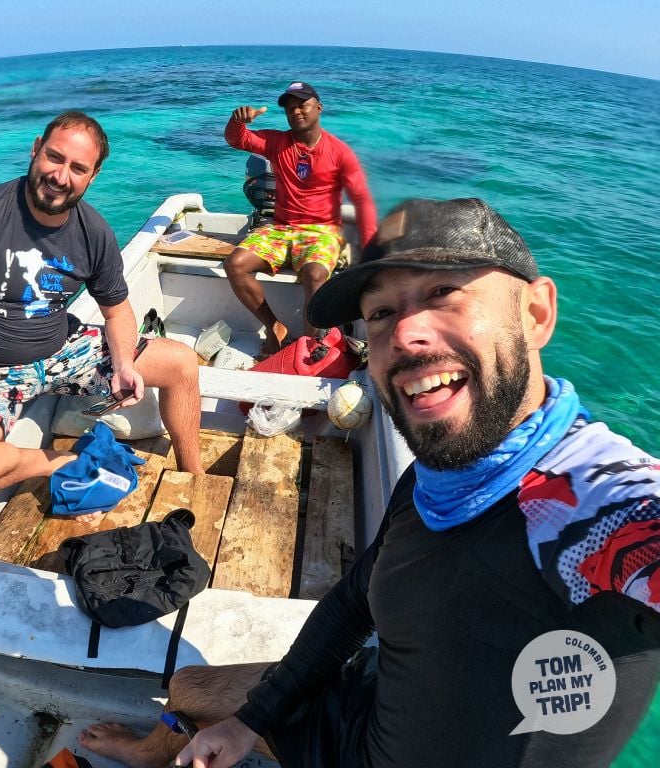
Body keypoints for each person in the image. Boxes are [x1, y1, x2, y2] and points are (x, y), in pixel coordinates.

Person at [78, 198, 660, 768]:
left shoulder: (589, 504)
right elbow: (357, 596)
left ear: (535, 315)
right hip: (364, 719)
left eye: (443, 295)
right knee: (190, 691)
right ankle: (155, 754)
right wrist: (250, 721)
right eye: (381, 313)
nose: (407, 335)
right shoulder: (436, 478)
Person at [0, 111, 204, 513]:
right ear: (35, 150)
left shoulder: (94, 232)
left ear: (92, 176)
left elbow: (116, 312)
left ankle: (194, 475)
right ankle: (60, 462)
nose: (61, 177)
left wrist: (126, 364)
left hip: (62, 353)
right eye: (54, 158)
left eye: (78, 168)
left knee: (181, 363)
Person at [224, 81, 378, 355]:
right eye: (290, 108)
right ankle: (274, 326)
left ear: (318, 108)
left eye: (302, 105)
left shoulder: (340, 152)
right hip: (281, 228)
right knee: (235, 264)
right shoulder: (277, 142)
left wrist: (370, 249)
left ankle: (307, 346)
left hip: (323, 231)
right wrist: (237, 121)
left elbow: (362, 200)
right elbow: (238, 139)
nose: (296, 111)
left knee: (314, 274)